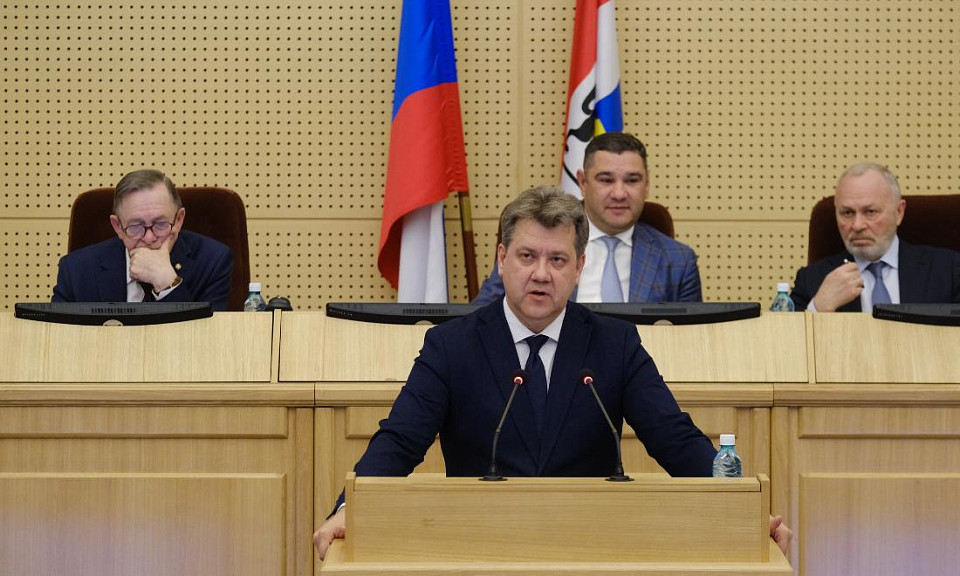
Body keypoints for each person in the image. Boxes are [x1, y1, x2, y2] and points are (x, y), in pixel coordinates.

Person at [314, 185, 791, 559]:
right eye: (527, 256)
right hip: (478, 547)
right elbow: (400, 440)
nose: (541, 273)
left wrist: (744, 508)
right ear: (502, 259)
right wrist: (350, 509)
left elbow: (675, 439)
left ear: (579, 267)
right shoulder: (452, 346)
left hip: (588, 546)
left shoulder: (614, 344)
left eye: (557, 259)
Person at [473, 132, 702, 304]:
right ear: (583, 183)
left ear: (647, 184)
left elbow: (691, 340)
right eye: (606, 180)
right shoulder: (537, 243)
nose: (619, 193)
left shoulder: (679, 261)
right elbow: (481, 315)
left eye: (632, 180)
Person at [52, 169, 234, 310]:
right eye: (135, 226)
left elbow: (207, 341)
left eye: (160, 224)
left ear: (179, 220)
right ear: (118, 226)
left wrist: (167, 283)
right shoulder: (76, 270)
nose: (149, 237)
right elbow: (59, 338)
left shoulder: (213, 261)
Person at [790, 163, 960, 312]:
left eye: (870, 212)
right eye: (847, 213)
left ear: (899, 212)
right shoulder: (811, 280)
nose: (857, 225)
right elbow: (789, 336)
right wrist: (819, 307)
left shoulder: (949, 270)